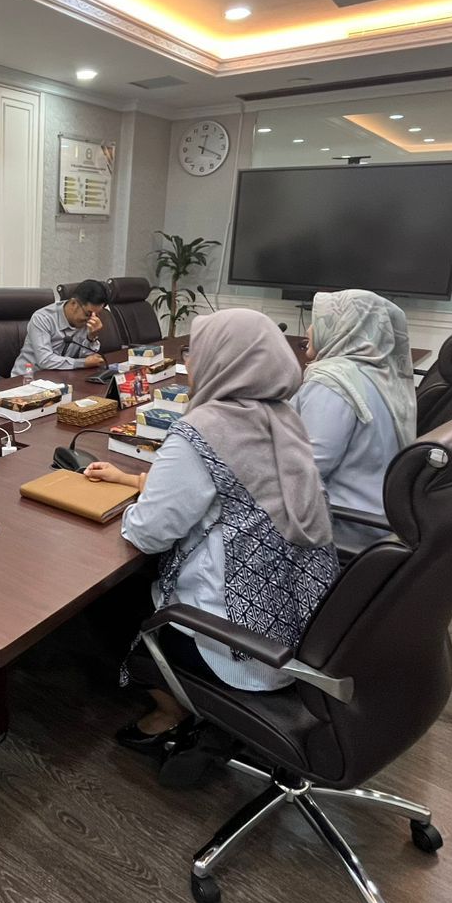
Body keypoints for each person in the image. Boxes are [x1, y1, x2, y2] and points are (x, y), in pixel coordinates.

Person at [82, 309, 339, 783]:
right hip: (306, 630)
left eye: (194, 353)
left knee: (105, 600)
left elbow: (146, 533)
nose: (189, 363)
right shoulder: (284, 416)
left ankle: (171, 711)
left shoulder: (202, 430)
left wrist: (137, 501)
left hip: (241, 649)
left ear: (222, 360)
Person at [292, 290, 416, 553]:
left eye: (319, 320)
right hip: (382, 514)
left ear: (345, 327)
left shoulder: (331, 381)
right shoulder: (378, 372)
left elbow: (310, 466)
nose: (310, 329)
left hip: (343, 525)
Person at [12, 279, 110, 375]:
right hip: (27, 378)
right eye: (88, 314)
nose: (91, 319)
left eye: (97, 314)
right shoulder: (43, 318)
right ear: (73, 303)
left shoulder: (87, 321)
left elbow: (87, 358)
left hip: (60, 377)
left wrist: (91, 337)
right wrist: (81, 363)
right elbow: (45, 360)